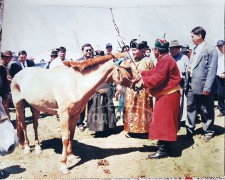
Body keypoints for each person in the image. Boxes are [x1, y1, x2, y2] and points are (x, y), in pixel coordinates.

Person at [140, 38, 181, 158]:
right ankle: (165, 145)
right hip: (169, 94)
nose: (153, 51)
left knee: (162, 122)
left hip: (168, 95)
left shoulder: (164, 60)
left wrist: (144, 82)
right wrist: (144, 73)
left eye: (154, 49)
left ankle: (163, 150)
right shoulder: (165, 58)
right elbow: (156, 71)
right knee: (165, 122)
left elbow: (159, 77)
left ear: (157, 50)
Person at [184, 26, 218, 142]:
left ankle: (208, 130)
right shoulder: (195, 48)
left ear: (200, 36)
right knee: (190, 107)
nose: (191, 38)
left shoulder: (211, 50)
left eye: (193, 36)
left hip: (204, 86)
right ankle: (189, 129)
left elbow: (212, 70)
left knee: (205, 109)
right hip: (191, 84)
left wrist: (208, 87)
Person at [124, 39, 154, 138]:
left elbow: (152, 75)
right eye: (132, 50)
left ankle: (144, 131)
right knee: (131, 109)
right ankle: (131, 130)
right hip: (131, 90)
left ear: (142, 50)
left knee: (143, 110)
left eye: (135, 50)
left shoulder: (148, 61)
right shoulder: (129, 61)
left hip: (143, 90)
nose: (133, 52)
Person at [169, 40, 189, 125]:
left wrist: (186, 84)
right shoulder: (168, 58)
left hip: (181, 83)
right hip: (170, 84)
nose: (172, 51)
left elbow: (188, 71)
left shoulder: (184, 58)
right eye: (171, 49)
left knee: (181, 103)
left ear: (178, 49)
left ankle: (181, 120)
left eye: (174, 49)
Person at [76, 43, 94, 131]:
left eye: (90, 50)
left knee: (92, 104)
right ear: (82, 51)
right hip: (81, 87)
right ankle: (79, 123)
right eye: (86, 50)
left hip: (93, 86)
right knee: (81, 106)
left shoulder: (95, 60)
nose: (88, 52)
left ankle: (91, 123)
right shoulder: (78, 61)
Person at [0, 51, 13, 117]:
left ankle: (7, 120)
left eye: (10, 57)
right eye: (8, 57)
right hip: (2, 90)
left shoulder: (6, 67)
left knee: (6, 107)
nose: (9, 59)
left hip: (5, 90)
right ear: (3, 58)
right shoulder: (1, 66)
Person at [215, 40, 225, 117]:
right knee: (220, 94)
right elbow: (215, 66)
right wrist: (219, 74)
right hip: (219, 76)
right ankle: (222, 110)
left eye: (221, 46)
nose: (220, 47)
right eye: (218, 46)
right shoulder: (217, 55)